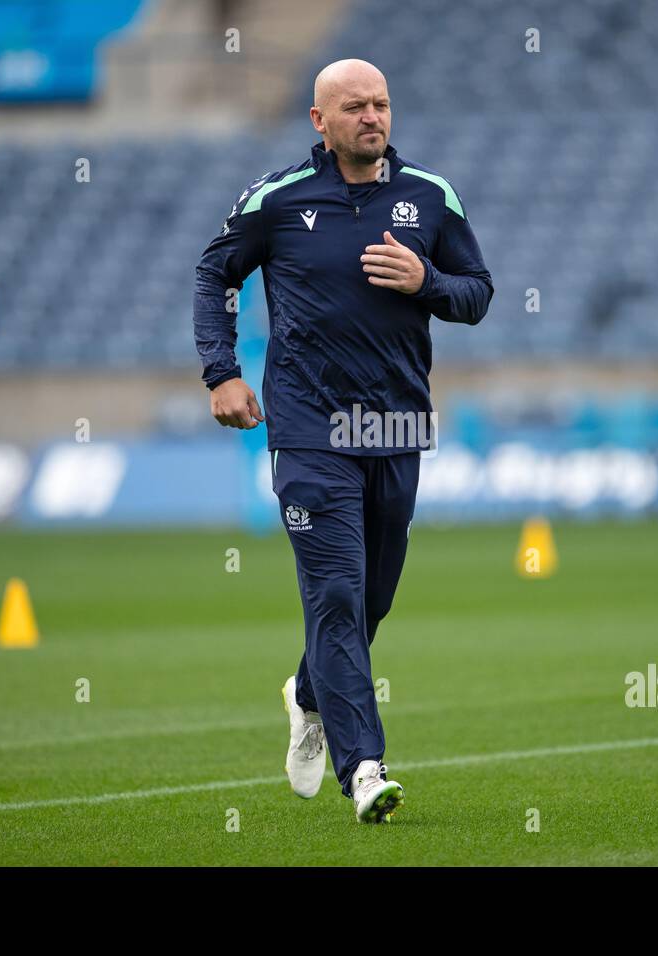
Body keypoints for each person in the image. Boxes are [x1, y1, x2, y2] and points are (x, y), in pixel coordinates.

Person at [193, 58, 493, 822]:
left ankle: (305, 692)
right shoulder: (278, 201)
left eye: (382, 103)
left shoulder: (430, 196)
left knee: (370, 604)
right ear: (319, 122)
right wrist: (222, 373)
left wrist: (425, 279)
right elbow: (214, 275)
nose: (373, 116)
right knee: (334, 596)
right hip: (307, 431)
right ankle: (365, 769)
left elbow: (478, 294)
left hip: (395, 427)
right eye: (354, 106)